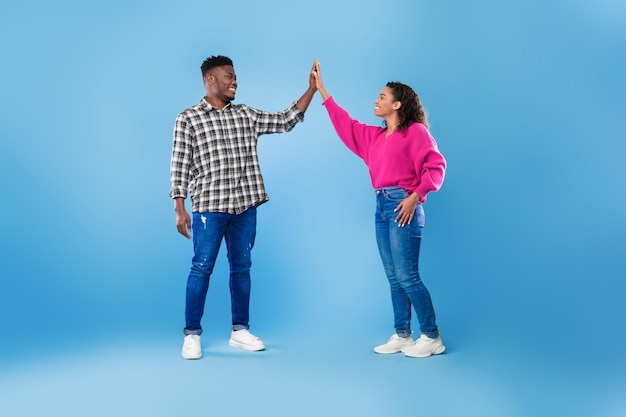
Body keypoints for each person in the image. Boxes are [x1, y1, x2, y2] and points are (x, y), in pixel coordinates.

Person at [170, 55, 317, 360]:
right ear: (210, 80)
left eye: (235, 77)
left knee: (242, 267)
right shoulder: (189, 118)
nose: (235, 81)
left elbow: (285, 119)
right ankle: (192, 335)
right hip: (209, 207)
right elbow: (179, 164)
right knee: (201, 268)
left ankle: (240, 331)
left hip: (245, 206)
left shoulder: (246, 114)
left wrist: (312, 89)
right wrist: (179, 207)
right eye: (229, 77)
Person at [312, 60, 447, 358]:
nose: (376, 100)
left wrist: (416, 196)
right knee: (393, 276)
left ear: (397, 104)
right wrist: (321, 89)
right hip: (381, 207)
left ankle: (431, 335)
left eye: (382, 97)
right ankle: (403, 334)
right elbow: (345, 123)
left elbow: (436, 166)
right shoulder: (374, 137)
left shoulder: (415, 133)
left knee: (408, 275)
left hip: (404, 205)